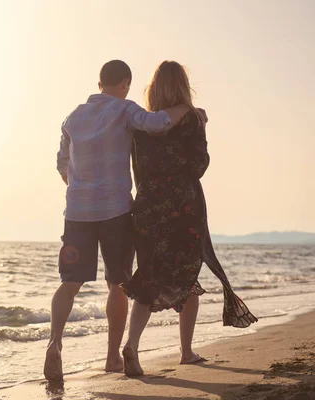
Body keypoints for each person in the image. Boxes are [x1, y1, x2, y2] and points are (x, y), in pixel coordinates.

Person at [44, 60, 191, 382]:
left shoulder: (73, 117)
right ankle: (112, 357)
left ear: (100, 83)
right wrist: (184, 107)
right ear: (124, 82)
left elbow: (61, 164)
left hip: (77, 212)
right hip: (115, 212)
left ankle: (54, 342)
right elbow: (158, 124)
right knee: (118, 284)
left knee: (70, 282)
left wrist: (82, 189)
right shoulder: (124, 109)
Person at [121, 61, 258, 377]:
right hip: (183, 205)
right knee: (187, 271)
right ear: (184, 87)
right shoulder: (193, 119)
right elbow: (198, 165)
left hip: (148, 204)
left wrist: (147, 198)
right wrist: (203, 128)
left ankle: (133, 345)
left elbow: (137, 169)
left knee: (149, 276)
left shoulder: (141, 124)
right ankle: (185, 351)